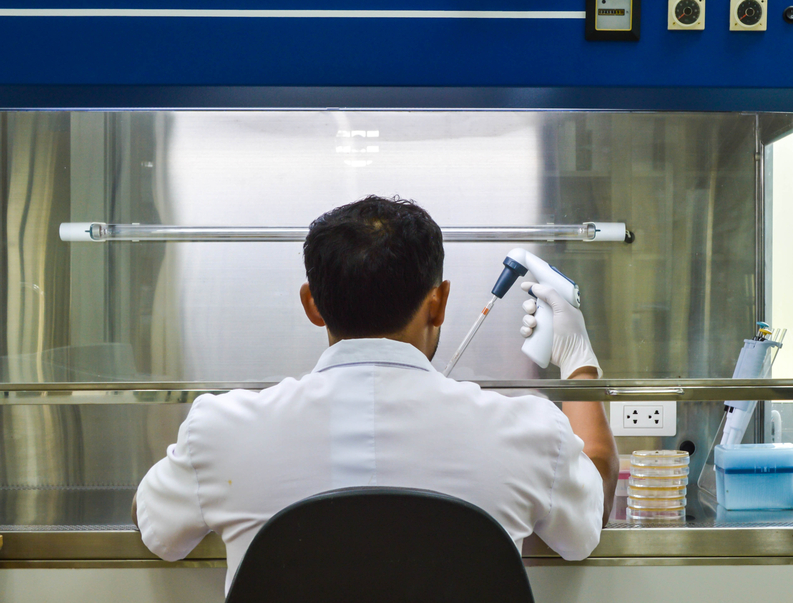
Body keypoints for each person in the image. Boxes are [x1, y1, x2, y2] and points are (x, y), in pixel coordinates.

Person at [133, 195, 618, 593]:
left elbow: (157, 530)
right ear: (440, 302)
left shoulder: (221, 430)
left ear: (312, 305)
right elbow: (584, 526)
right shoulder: (527, 431)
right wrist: (578, 362)